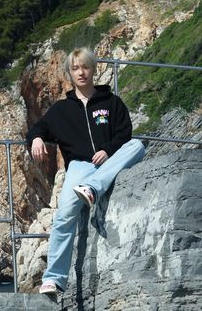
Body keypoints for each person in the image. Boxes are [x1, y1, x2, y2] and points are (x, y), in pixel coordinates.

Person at [26, 47, 145, 294]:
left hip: (109, 161)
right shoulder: (61, 110)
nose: (82, 72)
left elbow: (125, 134)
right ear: (70, 73)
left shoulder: (111, 102)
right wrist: (36, 139)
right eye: (76, 68)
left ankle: (92, 188)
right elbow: (37, 128)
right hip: (80, 166)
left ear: (93, 69)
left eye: (86, 67)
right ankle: (54, 279)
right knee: (65, 213)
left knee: (137, 145)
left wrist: (108, 150)